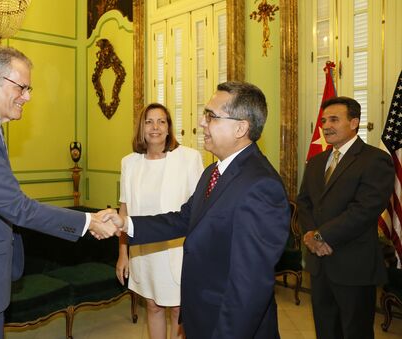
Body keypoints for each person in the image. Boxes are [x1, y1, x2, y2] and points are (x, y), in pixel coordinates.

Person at [0, 46, 118, 339]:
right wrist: (89, 222)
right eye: (22, 87)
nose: (27, 96)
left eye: (30, 88)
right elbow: (16, 207)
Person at [104, 81, 290, 338]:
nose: (202, 123)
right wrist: (127, 224)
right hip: (202, 314)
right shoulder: (213, 172)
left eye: (211, 116)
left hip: (228, 325)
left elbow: (248, 288)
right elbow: (183, 218)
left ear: (240, 127)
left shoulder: (261, 185)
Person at [297, 96, 394, 339]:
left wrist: (322, 235)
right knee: (326, 330)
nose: (326, 125)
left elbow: (365, 209)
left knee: (355, 332)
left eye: (333, 119)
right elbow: (304, 202)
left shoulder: (375, 159)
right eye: (323, 120)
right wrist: (311, 237)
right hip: (320, 265)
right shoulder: (317, 162)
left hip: (354, 265)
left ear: (354, 123)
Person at [116, 103, 203, 339]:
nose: (155, 127)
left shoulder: (189, 158)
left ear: (169, 128)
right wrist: (122, 254)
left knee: (178, 309)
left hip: (177, 250)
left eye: (161, 121)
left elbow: (200, 211)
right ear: (141, 128)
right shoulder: (129, 163)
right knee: (153, 306)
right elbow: (124, 211)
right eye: (149, 121)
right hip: (144, 251)